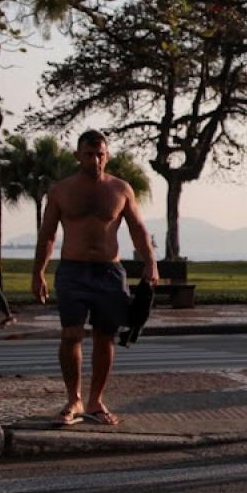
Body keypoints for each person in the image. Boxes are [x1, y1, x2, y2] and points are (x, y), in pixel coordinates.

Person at [32, 130, 158, 427]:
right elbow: (47, 235)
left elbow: (138, 229)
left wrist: (150, 263)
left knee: (105, 336)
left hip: (108, 272)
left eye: (100, 154)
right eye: (89, 154)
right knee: (71, 334)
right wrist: (38, 272)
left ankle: (95, 400)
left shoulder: (120, 189)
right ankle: (73, 398)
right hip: (73, 270)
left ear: (107, 155)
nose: (95, 159)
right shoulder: (61, 190)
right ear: (78, 156)